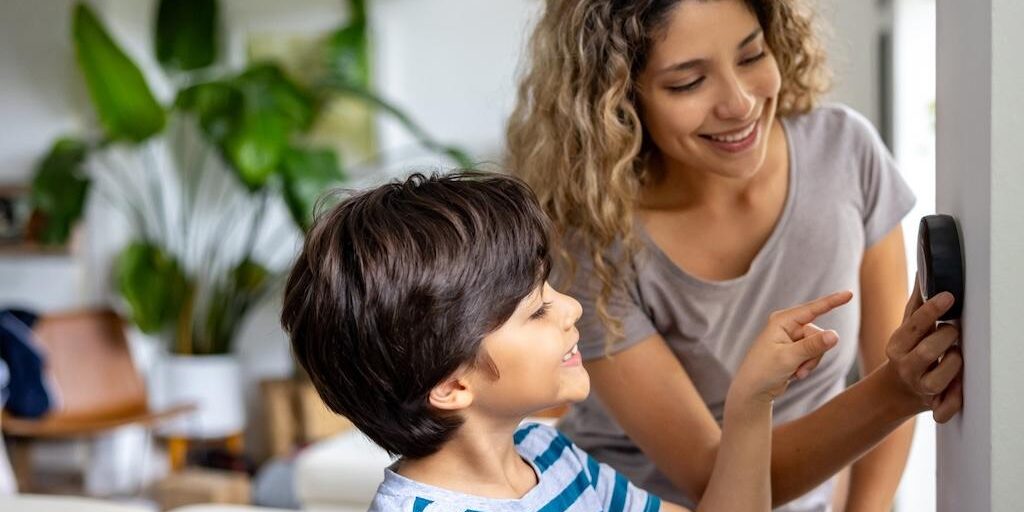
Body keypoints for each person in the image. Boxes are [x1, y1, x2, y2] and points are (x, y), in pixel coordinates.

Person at [505, 0, 963, 510]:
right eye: (687, 83)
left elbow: (888, 364)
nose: (740, 103)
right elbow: (713, 478)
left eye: (751, 56)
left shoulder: (844, 152)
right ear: (618, 101)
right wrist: (894, 393)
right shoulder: (592, 238)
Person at [281, 171, 859, 511]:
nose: (573, 307)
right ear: (454, 384)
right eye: (536, 311)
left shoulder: (546, 454)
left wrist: (752, 400)